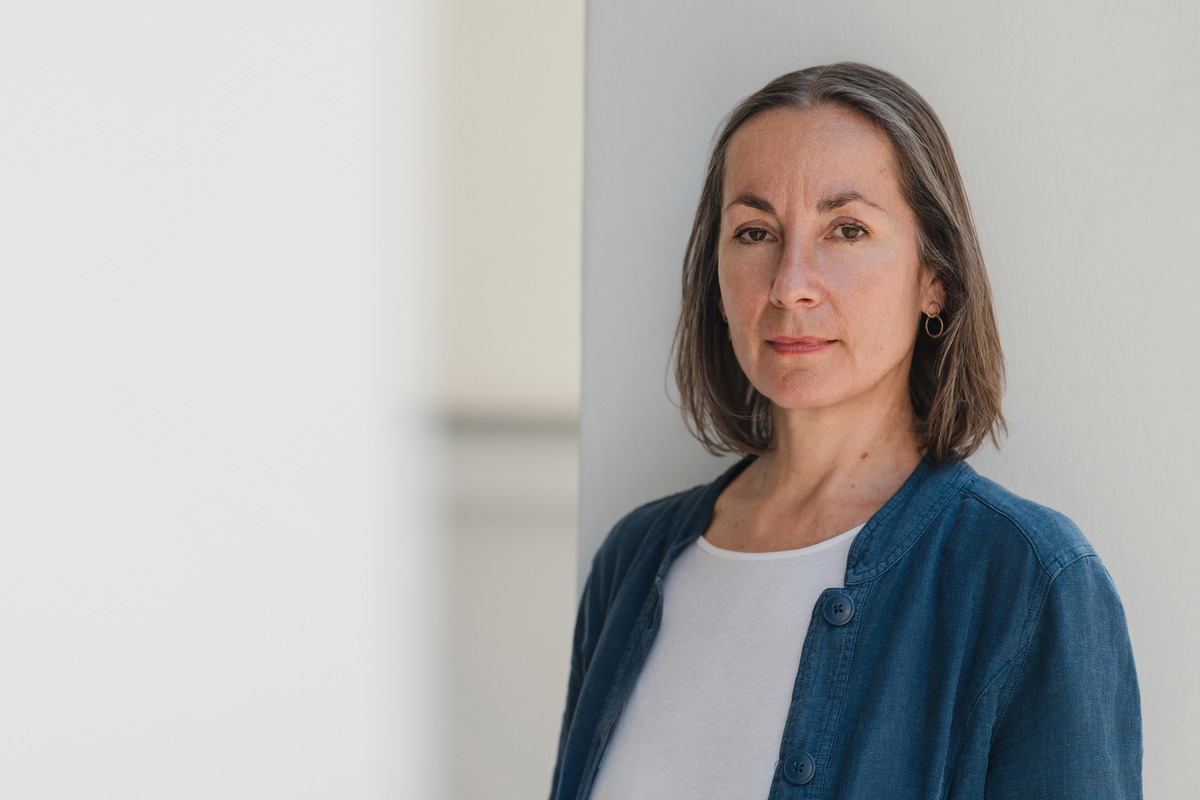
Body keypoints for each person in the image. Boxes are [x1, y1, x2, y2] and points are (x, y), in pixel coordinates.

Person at [549, 63, 1142, 800]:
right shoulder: (632, 564)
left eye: (848, 229)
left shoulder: (1028, 582)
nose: (789, 284)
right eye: (755, 232)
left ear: (935, 280)